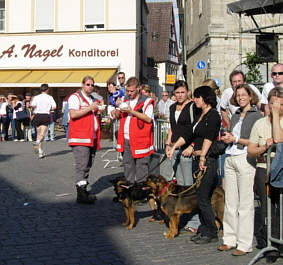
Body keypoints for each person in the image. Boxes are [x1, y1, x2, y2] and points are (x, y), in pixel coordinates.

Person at [168, 86, 221, 244]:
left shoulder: (213, 115)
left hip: (206, 161)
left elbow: (209, 137)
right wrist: (174, 147)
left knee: (203, 198)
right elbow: (188, 134)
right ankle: (204, 228)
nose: (195, 99)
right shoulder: (201, 115)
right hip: (197, 160)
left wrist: (203, 156)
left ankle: (211, 230)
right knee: (200, 196)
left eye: (198, 97)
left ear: (205, 99)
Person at [218, 84, 262, 256]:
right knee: (230, 201)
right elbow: (232, 135)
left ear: (250, 97)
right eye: (238, 95)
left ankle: (244, 243)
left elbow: (255, 141)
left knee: (245, 203)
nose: (241, 98)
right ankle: (229, 239)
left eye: (244, 95)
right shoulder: (235, 114)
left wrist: (235, 138)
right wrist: (228, 138)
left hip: (245, 158)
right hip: (230, 157)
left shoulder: (256, 115)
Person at [248, 87, 283, 256]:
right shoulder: (260, 123)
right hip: (264, 167)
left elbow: (278, 140)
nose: (276, 108)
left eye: (280, 105)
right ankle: (269, 243)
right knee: (266, 207)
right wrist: (263, 147)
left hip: (280, 168)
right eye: (273, 105)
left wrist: (276, 116)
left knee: (280, 207)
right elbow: (251, 150)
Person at [165, 80, 201, 233]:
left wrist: (192, 146)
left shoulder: (192, 106)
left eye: (182, 92)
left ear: (187, 92)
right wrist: (168, 144)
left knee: (188, 186)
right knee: (179, 185)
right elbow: (172, 128)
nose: (180, 95)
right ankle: (183, 216)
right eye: (177, 92)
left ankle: (195, 220)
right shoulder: (172, 107)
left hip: (187, 149)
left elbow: (196, 128)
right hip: (175, 148)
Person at [111, 77, 154, 184]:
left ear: (138, 88)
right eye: (127, 91)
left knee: (141, 168)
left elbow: (148, 119)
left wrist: (132, 111)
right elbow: (117, 116)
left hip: (141, 141)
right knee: (127, 166)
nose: (129, 93)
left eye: (132, 91)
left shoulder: (147, 101)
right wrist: (116, 110)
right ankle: (130, 190)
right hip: (126, 139)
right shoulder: (124, 100)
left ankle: (141, 193)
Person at [68, 76, 101, 204]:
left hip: (90, 136)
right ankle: (81, 194)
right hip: (80, 137)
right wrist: (90, 108)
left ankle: (84, 189)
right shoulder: (75, 97)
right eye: (88, 84)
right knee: (82, 165)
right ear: (82, 85)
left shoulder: (92, 98)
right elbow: (73, 114)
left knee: (88, 164)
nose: (90, 87)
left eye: (92, 85)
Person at [31, 84, 57, 158]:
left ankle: (40, 152)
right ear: (47, 90)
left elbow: (32, 105)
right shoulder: (50, 97)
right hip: (45, 115)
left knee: (38, 134)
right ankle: (37, 143)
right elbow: (54, 106)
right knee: (42, 134)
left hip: (37, 115)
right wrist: (49, 109)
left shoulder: (36, 97)